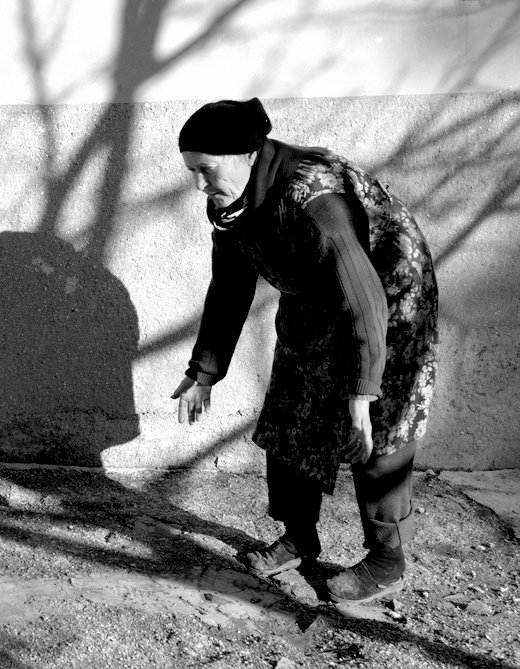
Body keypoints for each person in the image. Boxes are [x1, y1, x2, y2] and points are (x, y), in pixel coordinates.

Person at [171, 98, 438, 605]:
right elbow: (230, 286)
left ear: (248, 155)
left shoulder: (315, 202)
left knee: (377, 432)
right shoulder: (230, 202)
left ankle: (386, 558)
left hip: (389, 304)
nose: (200, 184)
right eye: (192, 172)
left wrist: (361, 395)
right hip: (314, 294)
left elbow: (363, 301)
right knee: (292, 407)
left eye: (206, 169)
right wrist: (204, 370)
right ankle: (299, 537)